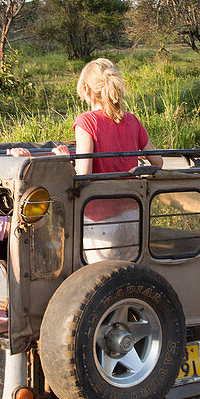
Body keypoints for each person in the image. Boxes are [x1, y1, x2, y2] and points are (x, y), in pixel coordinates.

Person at [71, 58, 162, 260]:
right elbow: (158, 162)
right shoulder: (132, 120)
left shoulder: (86, 121)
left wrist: (64, 160)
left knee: (104, 283)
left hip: (101, 220)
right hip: (133, 215)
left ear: (86, 90)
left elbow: (83, 173)